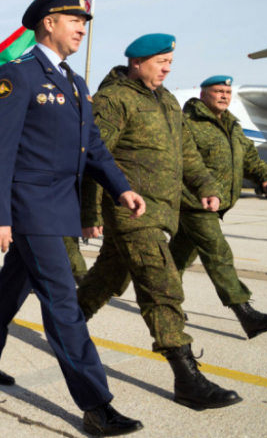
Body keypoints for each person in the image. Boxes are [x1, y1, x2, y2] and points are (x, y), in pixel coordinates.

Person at [0, 0, 144, 436]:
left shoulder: (74, 82)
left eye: (84, 20)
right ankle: (96, 403)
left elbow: (93, 146)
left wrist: (121, 188)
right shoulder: (17, 75)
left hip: (57, 206)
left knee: (15, 281)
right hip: (30, 207)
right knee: (63, 302)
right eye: (74, 19)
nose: (82, 27)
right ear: (49, 23)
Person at [77, 33, 242, 411]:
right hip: (129, 209)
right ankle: (187, 378)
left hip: (162, 209)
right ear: (137, 62)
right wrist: (89, 213)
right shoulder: (113, 99)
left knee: (107, 278)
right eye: (161, 61)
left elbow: (187, 152)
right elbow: (93, 156)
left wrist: (204, 185)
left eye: (170, 62)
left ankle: (65, 326)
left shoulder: (167, 101)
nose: (167, 68)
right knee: (161, 285)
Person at [169, 75, 267, 338]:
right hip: (193, 201)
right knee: (218, 253)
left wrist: (266, 178)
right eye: (218, 91)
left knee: (178, 257)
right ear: (203, 94)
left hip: (215, 203)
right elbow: (181, 162)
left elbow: (251, 159)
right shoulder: (187, 123)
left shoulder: (232, 125)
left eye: (227, 92)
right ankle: (246, 314)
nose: (224, 95)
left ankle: (166, 304)